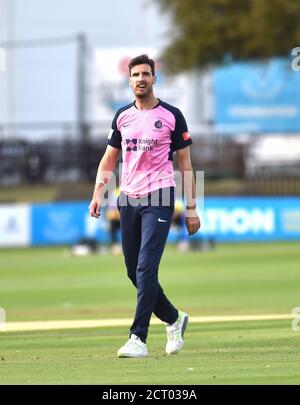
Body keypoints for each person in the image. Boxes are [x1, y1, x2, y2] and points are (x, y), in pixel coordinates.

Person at [89, 54, 200, 358]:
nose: (140, 79)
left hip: (161, 197)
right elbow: (109, 159)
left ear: (154, 79)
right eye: (135, 74)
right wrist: (98, 193)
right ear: (129, 80)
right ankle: (174, 318)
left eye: (146, 74)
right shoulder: (121, 116)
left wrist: (191, 207)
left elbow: (186, 165)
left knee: (145, 266)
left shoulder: (172, 115)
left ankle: (138, 338)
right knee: (133, 272)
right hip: (128, 198)